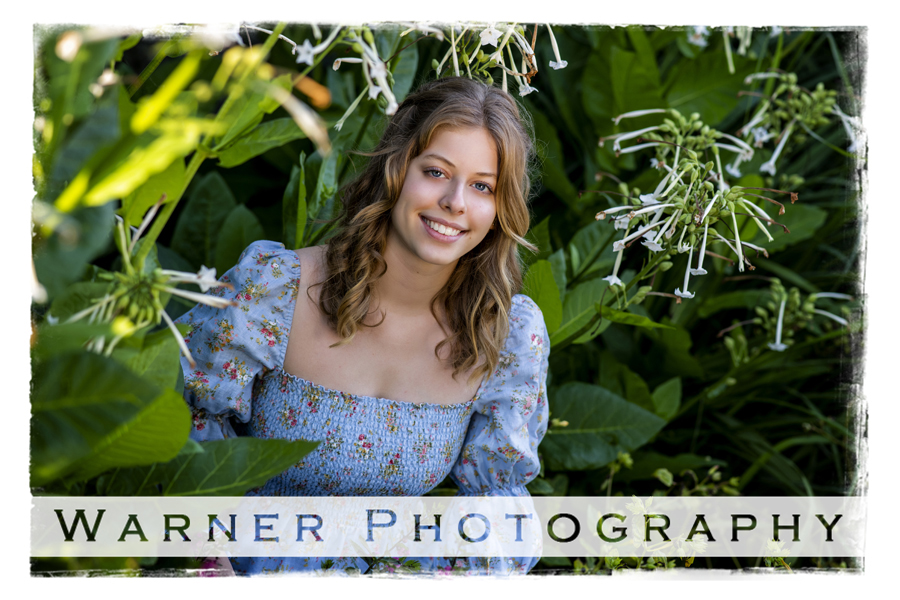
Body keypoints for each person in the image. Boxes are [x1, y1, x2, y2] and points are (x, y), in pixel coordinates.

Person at [176, 76, 550, 576]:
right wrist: (208, 558)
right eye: (437, 172)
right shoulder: (275, 290)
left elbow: (497, 502)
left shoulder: (504, 334)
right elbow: (190, 428)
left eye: (483, 186)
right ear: (396, 170)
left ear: (500, 208)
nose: (456, 202)